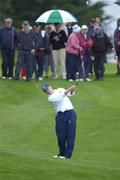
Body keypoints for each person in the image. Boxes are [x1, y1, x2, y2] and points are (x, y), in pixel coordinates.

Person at [42, 83, 77, 159]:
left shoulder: (60, 89)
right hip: (60, 115)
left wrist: (73, 90)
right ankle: (61, 153)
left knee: (70, 135)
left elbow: (70, 94)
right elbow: (61, 96)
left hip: (70, 113)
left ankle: (67, 155)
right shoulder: (50, 98)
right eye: (45, 90)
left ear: (51, 87)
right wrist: (69, 88)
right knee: (60, 135)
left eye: (48, 88)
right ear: (45, 92)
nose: (47, 90)